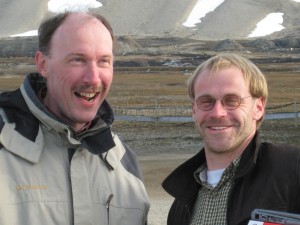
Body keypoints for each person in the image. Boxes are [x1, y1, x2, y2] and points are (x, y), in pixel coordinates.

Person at [0, 12, 149, 225]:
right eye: (77, 60)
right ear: (43, 64)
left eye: (104, 61)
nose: (93, 78)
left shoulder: (125, 163)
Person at [162, 53, 300, 225]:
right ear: (193, 110)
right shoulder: (181, 203)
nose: (217, 112)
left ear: (258, 108)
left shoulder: (292, 169)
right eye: (206, 101)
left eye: (232, 101)